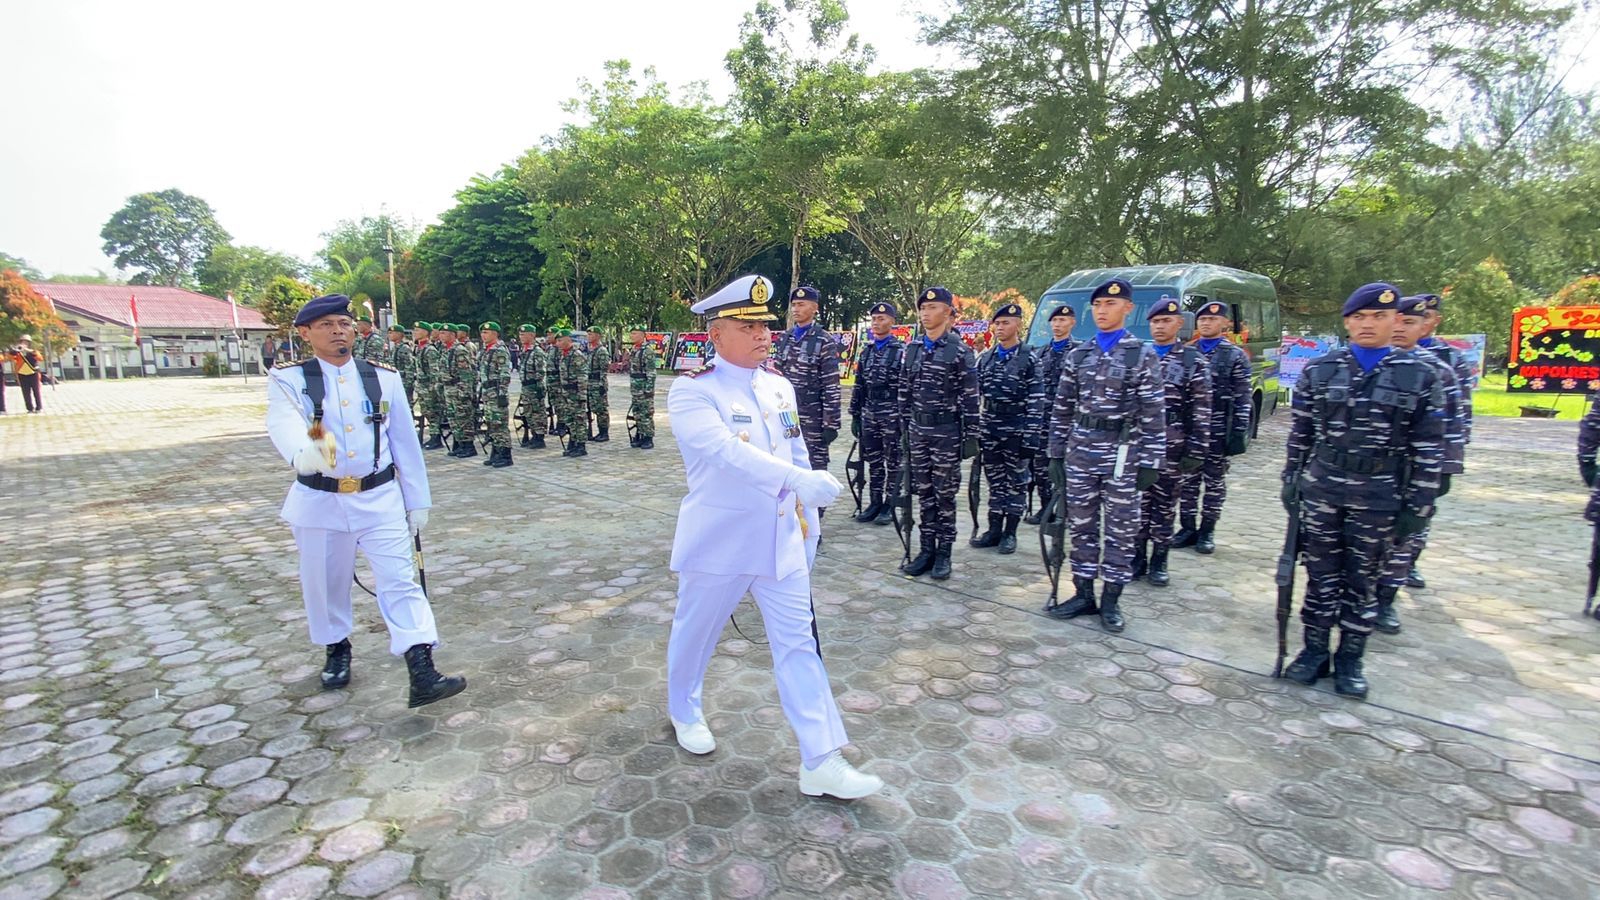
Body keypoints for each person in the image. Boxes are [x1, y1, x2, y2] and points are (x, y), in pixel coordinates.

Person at [665, 273, 881, 800]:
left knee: (798, 645)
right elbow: (725, 453)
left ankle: (821, 758)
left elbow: (796, 450)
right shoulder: (693, 391)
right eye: (748, 325)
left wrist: (808, 517)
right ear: (716, 334)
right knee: (697, 634)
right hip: (720, 541)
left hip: (781, 542)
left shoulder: (778, 386)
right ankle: (683, 709)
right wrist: (794, 481)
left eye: (765, 324)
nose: (764, 334)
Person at [264, 294, 466, 708]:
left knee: (401, 580)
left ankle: (421, 666)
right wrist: (304, 451)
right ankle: (336, 646)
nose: (338, 331)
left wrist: (417, 500)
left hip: (379, 497)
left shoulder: (381, 378)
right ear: (305, 333)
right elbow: (286, 423)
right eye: (326, 325)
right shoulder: (291, 380)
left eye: (344, 323)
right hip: (320, 499)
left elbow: (404, 443)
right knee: (325, 583)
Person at [1282, 282, 1445, 700]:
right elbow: (1300, 434)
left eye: (1379, 316)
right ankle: (1314, 651)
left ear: (1396, 320)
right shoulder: (1319, 370)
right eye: (1359, 317)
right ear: (1347, 322)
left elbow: (1429, 447)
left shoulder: (1421, 376)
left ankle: (1351, 658)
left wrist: (1419, 504)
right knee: (1319, 576)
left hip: (1381, 496)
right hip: (1324, 490)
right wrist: (1291, 480)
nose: (1368, 324)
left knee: (1364, 581)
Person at [1044, 278, 1165, 633]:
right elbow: (1062, 408)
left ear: (1128, 308)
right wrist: (1055, 454)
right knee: (1080, 525)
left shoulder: (1140, 354)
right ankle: (1083, 593)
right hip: (1081, 451)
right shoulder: (1078, 354)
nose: (1102, 311)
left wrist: (1151, 461)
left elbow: (1154, 411)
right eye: (1097, 305)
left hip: (1122, 454)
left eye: (1111, 305)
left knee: (1121, 530)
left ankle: (1111, 599)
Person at [1372, 295, 1466, 632]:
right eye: (1395, 321)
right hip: (1372, 474)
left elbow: (1456, 422)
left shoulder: (1438, 369)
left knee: (1404, 537)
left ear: (1425, 323)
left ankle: (1385, 599)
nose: (1399, 328)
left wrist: (1446, 468)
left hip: (1415, 471)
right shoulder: (1368, 364)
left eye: (1409, 322)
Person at [898, 287, 980, 580]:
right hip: (918, 430)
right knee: (924, 493)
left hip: (946, 432)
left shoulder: (959, 350)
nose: (926, 313)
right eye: (922, 308)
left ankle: (944, 552)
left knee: (945, 495)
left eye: (933, 308)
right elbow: (904, 392)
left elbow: (970, 397)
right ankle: (926, 549)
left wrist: (971, 434)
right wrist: (904, 428)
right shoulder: (913, 348)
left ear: (947, 312)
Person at [1134, 299, 1211, 586]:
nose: (1160, 326)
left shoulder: (1192, 361)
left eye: (1166, 321)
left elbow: (1202, 410)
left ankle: (1159, 561)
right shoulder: (1138, 357)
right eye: (1155, 322)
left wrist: (1196, 448)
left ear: (1179, 324)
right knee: (1138, 505)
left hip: (1173, 446)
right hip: (1139, 444)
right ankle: (1137, 558)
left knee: (1164, 506)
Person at [1405, 294, 1475, 588]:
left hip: (1428, 454)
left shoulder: (1448, 361)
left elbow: (1458, 414)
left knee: (1419, 513)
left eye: (1428, 315)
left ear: (1433, 321)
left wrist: (1449, 464)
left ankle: (1407, 565)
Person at [1173, 302, 1253, 553]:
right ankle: (1187, 527)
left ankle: (1207, 531)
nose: (1206, 323)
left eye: (1212, 319)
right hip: (1189, 429)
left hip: (1219, 428)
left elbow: (1242, 397)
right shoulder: (1186, 352)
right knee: (1187, 482)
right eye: (1202, 319)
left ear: (1225, 324)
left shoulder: (1235, 355)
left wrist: (1240, 431)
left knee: (1214, 483)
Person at [970, 303, 1047, 555]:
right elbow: (974, 394)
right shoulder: (987, 358)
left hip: (1017, 428)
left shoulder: (1029, 358)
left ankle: (1010, 532)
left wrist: (1031, 437)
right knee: (994, 481)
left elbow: (1037, 401)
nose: (1000, 328)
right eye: (998, 323)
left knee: (1016, 482)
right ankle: (994, 529)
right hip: (990, 427)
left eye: (1006, 323)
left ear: (1018, 325)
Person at [772, 285, 843, 500]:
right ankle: (793, 522)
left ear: (815, 308)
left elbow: (831, 385)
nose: (795, 309)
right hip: (786, 416)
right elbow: (775, 376)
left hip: (813, 418)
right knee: (787, 466)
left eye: (801, 304)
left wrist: (831, 423)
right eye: (793, 305)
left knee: (815, 469)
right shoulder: (785, 337)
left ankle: (815, 527)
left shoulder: (823, 340)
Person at [849, 302, 905, 525]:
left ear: (892, 322)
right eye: (873, 319)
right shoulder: (867, 352)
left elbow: (906, 388)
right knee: (873, 461)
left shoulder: (900, 351)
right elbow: (859, 384)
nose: (876, 323)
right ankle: (874, 501)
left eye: (881, 319)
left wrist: (904, 419)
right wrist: (855, 413)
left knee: (893, 461)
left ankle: (889, 505)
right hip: (869, 411)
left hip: (892, 412)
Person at [1025, 305, 1077, 525]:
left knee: (1066, 467)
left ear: (1072, 322)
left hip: (1066, 421)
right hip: (1042, 420)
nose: (1058, 325)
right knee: (1040, 467)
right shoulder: (1040, 353)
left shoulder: (1078, 352)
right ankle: (1046, 508)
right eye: (1054, 321)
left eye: (1062, 321)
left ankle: (1065, 512)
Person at [477, 323, 514, 468]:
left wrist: (502, 394)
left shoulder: (500, 350)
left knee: (500, 424)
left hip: (496, 392)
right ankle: (496, 452)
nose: (483, 335)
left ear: (495, 334)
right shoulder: (486, 350)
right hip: (487, 392)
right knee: (492, 424)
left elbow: (504, 374)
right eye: (482, 332)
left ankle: (505, 455)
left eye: (486, 332)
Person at [553, 329, 590, 458]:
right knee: (570, 419)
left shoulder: (576, 355)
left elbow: (583, 376)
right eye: (557, 341)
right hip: (566, 393)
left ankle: (581, 445)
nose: (557, 343)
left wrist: (581, 396)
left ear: (568, 340)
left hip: (576, 393)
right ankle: (573, 441)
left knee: (579, 419)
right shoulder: (564, 354)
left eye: (560, 340)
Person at [445, 325, 479, 458]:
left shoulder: (460, 350)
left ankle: (468, 446)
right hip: (450, 389)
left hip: (459, 389)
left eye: (444, 333)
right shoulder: (447, 349)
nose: (441, 335)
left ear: (453, 335)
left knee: (464, 417)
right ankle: (460, 444)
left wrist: (464, 392)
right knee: (454, 418)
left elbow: (465, 374)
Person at [515, 324, 549, 450]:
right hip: (526, 387)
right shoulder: (525, 351)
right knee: (528, 412)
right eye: (520, 334)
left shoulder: (537, 352)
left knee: (537, 412)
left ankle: (539, 437)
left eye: (524, 334)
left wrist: (540, 388)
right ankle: (534, 434)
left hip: (534, 387)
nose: (521, 337)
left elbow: (541, 371)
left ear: (532, 335)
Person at [418, 324, 448, 450]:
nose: (415, 332)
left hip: (429, 387)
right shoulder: (420, 348)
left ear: (426, 332)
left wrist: (435, 388)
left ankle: (436, 437)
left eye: (418, 330)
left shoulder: (430, 350)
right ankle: (433, 435)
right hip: (422, 386)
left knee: (433, 412)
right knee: (427, 411)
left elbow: (435, 372)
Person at [627, 327, 657, 449]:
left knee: (646, 413)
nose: (631, 336)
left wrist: (649, 389)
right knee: (637, 412)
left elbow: (651, 373)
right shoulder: (635, 349)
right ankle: (639, 433)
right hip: (635, 387)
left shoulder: (647, 351)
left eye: (634, 334)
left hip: (644, 387)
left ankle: (648, 437)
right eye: (631, 334)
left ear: (642, 335)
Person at [586, 327, 612, 442]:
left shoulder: (601, 351)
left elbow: (604, 370)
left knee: (601, 409)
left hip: (598, 383)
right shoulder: (590, 350)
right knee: (593, 407)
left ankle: (604, 432)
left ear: (598, 336)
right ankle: (596, 431)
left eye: (591, 334)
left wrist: (602, 384)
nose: (588, 336)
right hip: (590, 383)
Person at [385, 324, 415, 404]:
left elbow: (409, 366)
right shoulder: (394, 347)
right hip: (396, 381)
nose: (389, 335)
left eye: (392, 333)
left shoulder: (404, 347)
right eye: (389, 333)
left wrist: (408, 384)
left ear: (399, 334)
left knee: (406, 404)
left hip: (404, 381)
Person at [13, 338, 43, 413]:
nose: (24, 343)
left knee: (36, 391)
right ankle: (29, 408)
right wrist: (16, 350)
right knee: (26, 392)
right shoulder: (18, 353)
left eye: (26, 342)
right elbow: (11, 358)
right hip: (22, 374)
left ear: (29, 343)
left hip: (33, 374)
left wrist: (28, 350)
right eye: (22, 342)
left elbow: (40, 358)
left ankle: (39, 407)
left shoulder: (33, 351)